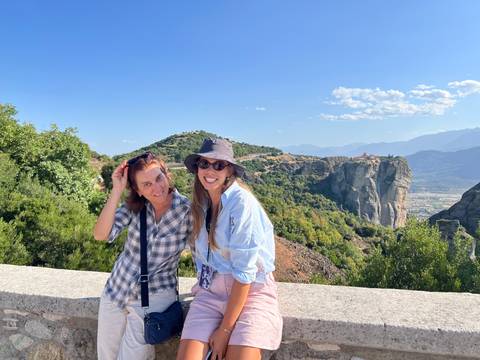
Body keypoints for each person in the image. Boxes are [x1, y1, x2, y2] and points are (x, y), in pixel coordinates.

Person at [177, 138, 283, 360]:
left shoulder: (241, 203)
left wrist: (225, 331)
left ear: (230, 170)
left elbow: (245, 274)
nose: (209, 170)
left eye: (218, 165)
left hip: (250, 292)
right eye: (204, 164)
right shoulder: (201, 203)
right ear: (197, 168)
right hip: (210, 292)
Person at [93, 152, 191, 360]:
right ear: (137, 190)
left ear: (167, 174)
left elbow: (203, 253)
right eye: (146, 184)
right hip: (116, 290)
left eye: (159, 178)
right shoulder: (134, 208)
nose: (156, 188)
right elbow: (101, 234)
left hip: (154, 297)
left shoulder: (187, 211)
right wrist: (117, 190)